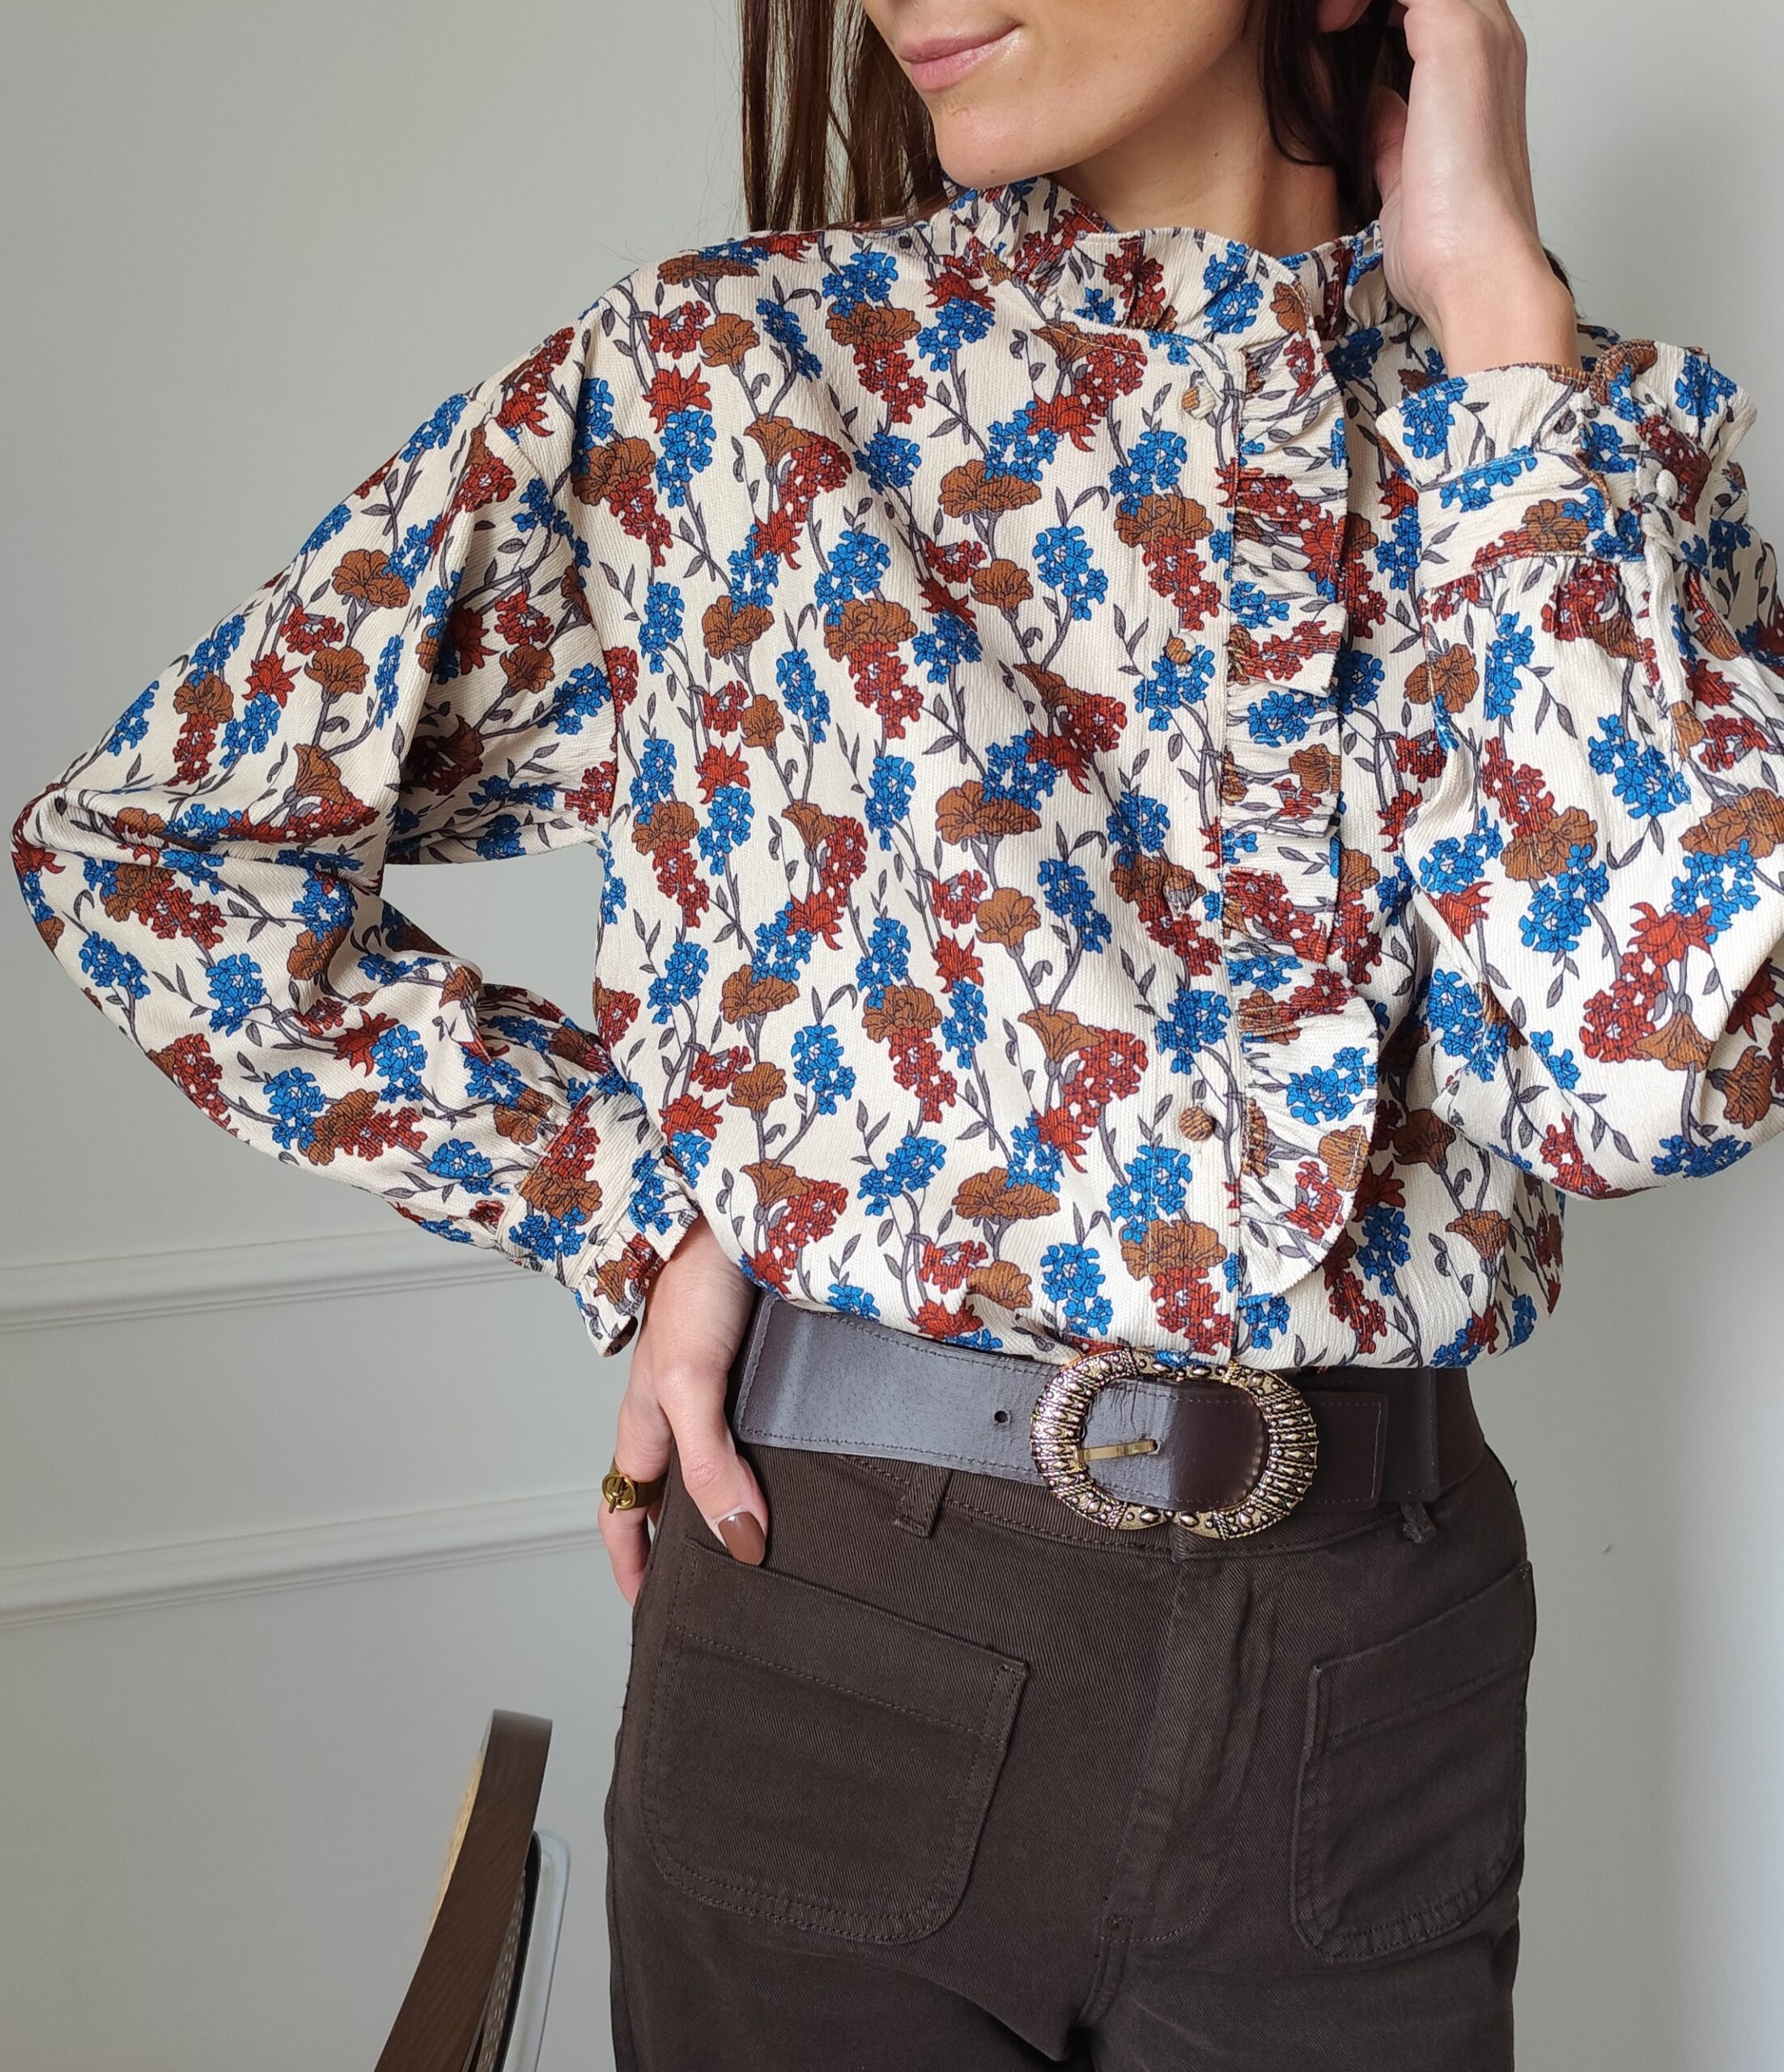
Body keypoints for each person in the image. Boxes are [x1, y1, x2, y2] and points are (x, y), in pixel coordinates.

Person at [11, 0, 1783, 2062]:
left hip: (1374, 1671)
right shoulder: (731, 381)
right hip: (848, 1631)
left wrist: (1495, 325)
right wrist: (634, 1201)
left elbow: (1654, 1078)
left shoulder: (1579, 442)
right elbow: (154, 846)